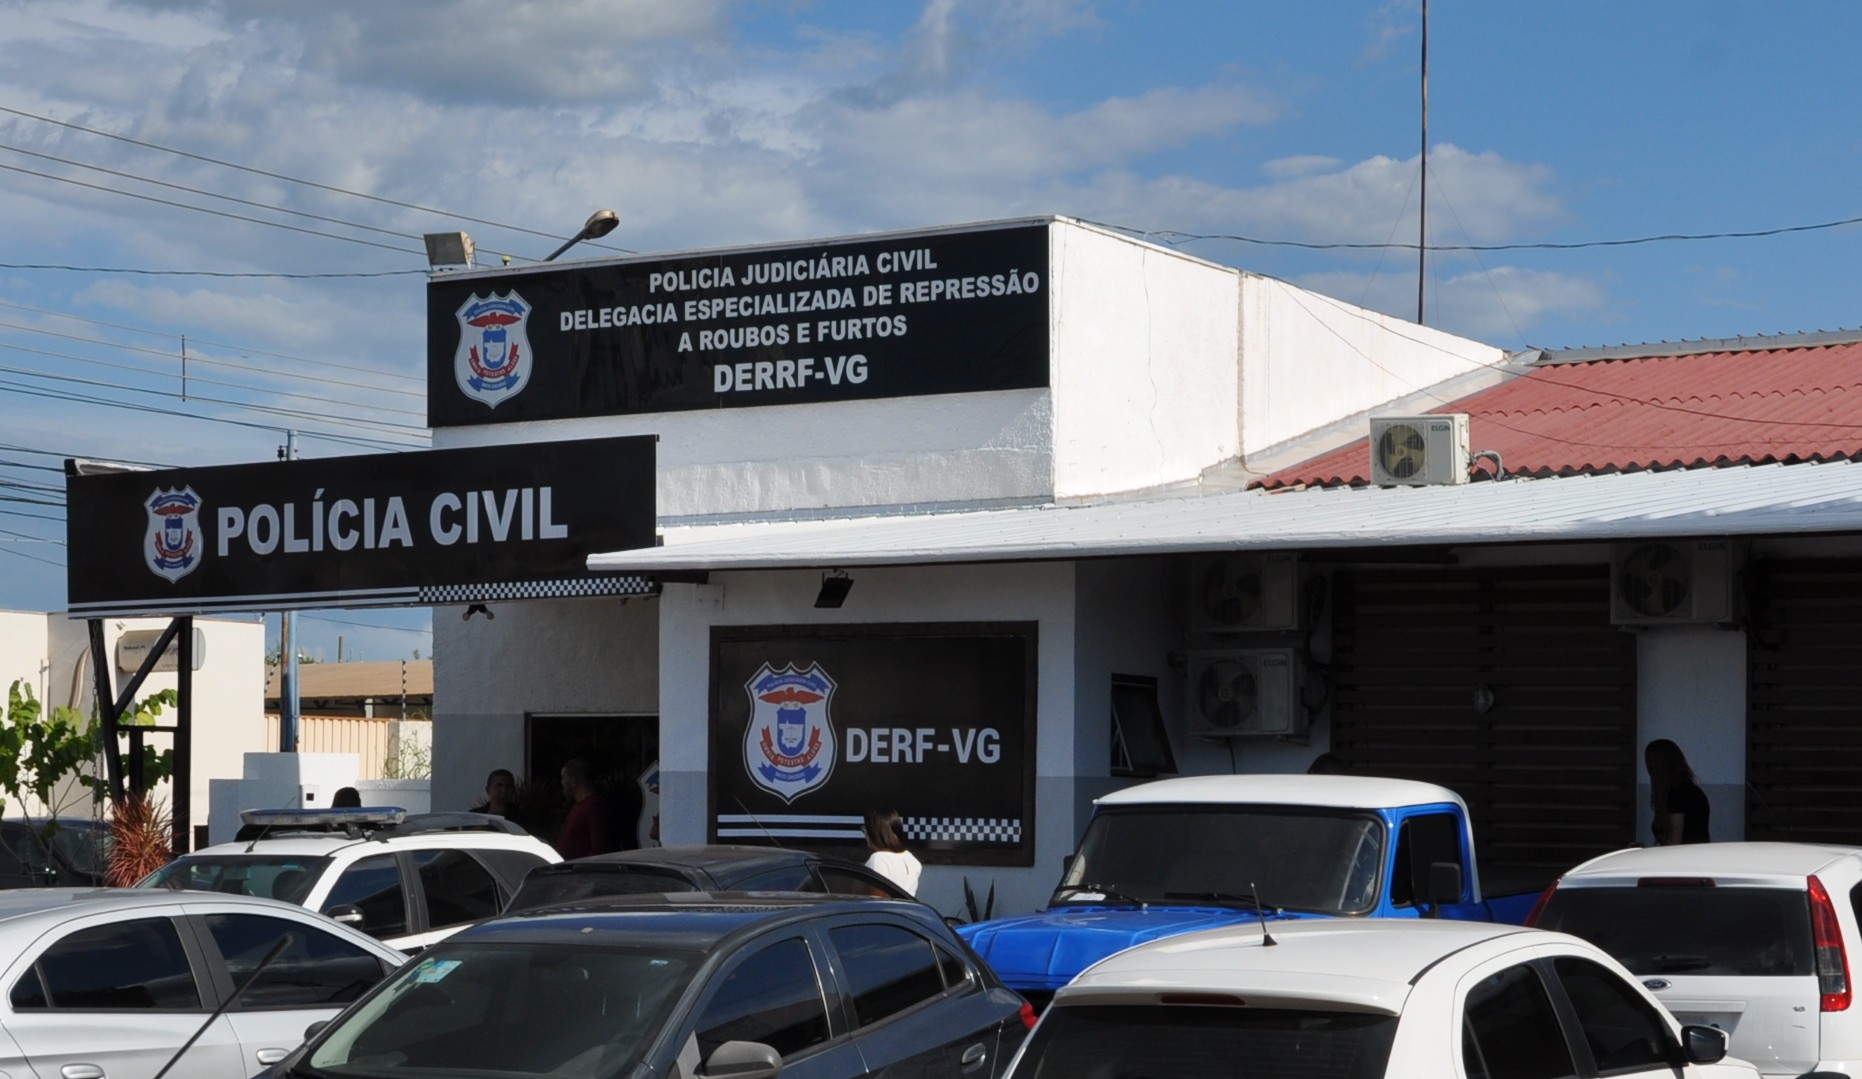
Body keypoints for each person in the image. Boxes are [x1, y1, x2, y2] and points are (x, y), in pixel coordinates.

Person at [1645, 739, 1710, 845]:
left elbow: (1674, 841)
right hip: (1697, 852)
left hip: (1683, 854)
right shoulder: (1693, 792)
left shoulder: (1676, 795)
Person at [556, 758, 615, 860]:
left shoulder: (594, 807)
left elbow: (598, 847)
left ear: (573, 781)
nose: (562, 783)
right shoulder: (579, 807)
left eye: (563, 778)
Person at [862, 807, 921, 896]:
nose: (865, 835)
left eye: (865, 829)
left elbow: (876, 897)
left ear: (874, 832)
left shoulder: (878, 858)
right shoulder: (911, 859)